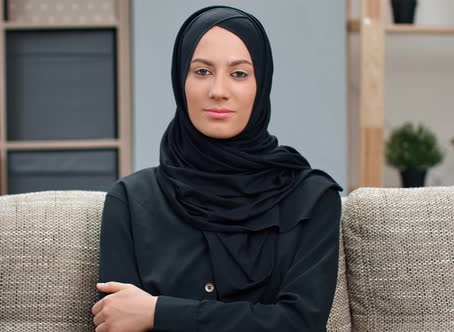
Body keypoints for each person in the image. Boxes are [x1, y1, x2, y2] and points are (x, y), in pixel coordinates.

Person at [91, 5, 343, 332]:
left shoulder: (311, 199)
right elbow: (115, 321)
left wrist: (157, 312)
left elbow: (301, 324)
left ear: (261, 83)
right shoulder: (131, 201)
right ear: (180, 80)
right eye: (202, 71)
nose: (218, 91)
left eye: (239, 73)